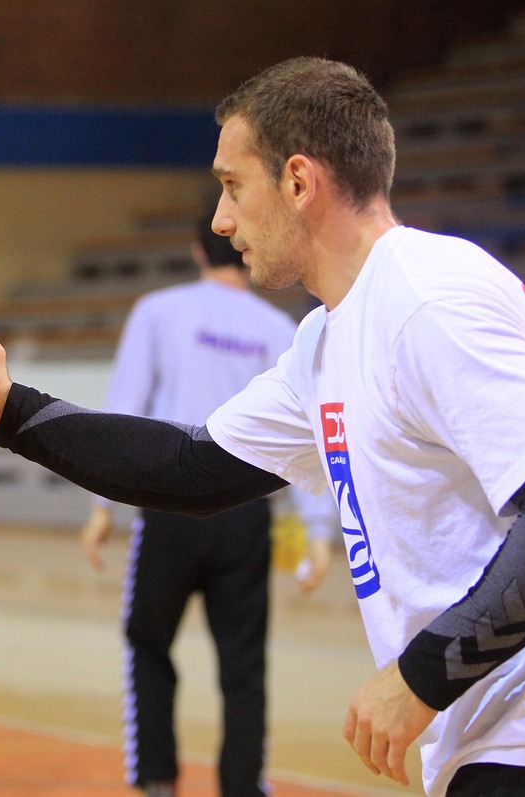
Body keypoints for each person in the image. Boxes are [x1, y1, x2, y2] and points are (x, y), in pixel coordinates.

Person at [0, 57, 525, 797]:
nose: (221, 219)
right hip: (508, 739)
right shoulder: (326, 339)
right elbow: (191, 467)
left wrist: (421, 674)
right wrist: (7, 409)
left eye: (231, 187)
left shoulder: (428, 300)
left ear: (299, 182)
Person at [78, 205, 338, 797]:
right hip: (247, 514)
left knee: (147, 644)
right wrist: (318, 535)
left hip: (169, 506)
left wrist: (102, 509)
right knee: (243, 666)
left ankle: (157, 781)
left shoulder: (158, 312)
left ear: (198, 252)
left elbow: (124, 409)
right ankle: (244, 788)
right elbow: (305, 434)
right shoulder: (278, 329)